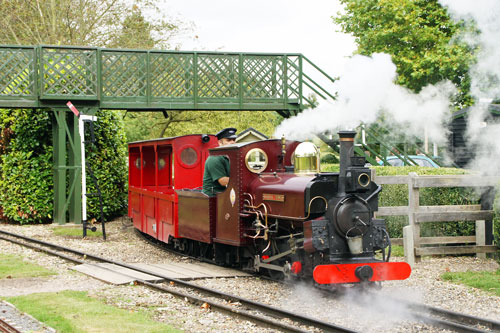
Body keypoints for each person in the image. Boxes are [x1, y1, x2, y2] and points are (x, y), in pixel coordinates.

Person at [202, 128, 237, 196]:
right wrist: (243, 180)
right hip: (213, 197)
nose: (232, 142)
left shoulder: (231, 157)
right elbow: (223, 181)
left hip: (225, 194)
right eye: (228, 140)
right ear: (220, 143)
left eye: (234, 140)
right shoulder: (215, 158)